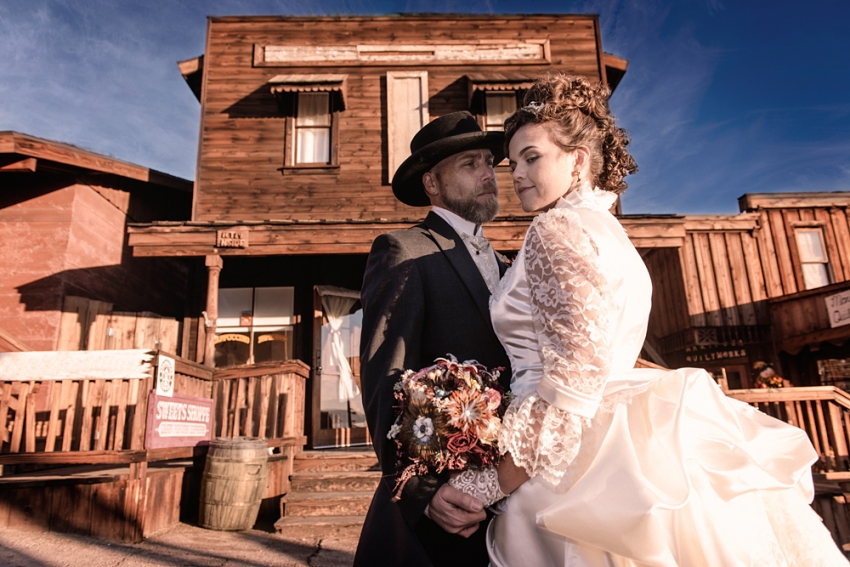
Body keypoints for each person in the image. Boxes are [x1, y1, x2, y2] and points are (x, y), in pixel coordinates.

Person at [447, 75, 848, 566]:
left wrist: (488, 483)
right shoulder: (610, 232)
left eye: (533, 157)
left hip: (575, 462)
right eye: (515, 162)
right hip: (626, 437)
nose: (518, 174)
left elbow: (573, 383)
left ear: (578, 160)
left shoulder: (554, 229)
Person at [354, 111, 513, 567]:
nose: (488, 174)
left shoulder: (511, 266)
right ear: (432, 184)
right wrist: (421, 492)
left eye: (489, 162)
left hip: (511, 487)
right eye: (469, 164)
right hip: (441, 501)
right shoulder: (403, 249)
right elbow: (387, 376)